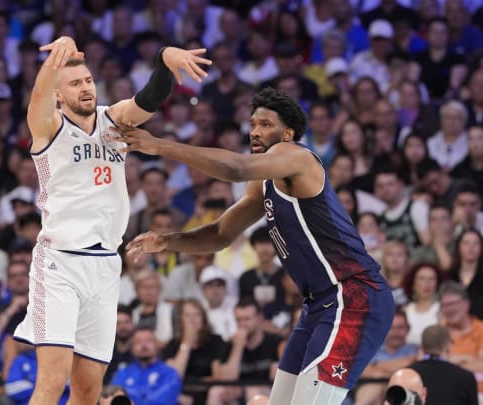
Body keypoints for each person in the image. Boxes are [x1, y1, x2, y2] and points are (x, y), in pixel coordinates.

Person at [121, 87, 395, 404]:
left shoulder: (296, 156)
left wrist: (159, 146)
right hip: (318, 304)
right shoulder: (263, 182)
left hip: (354, 295)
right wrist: (167, 241)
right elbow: (221, 234)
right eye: (252, 124)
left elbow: (235, 168)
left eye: (265, 124)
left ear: (288, 133)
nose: (255, 132)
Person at [11, 35, 211, 405]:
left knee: (88, 390)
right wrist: (57, 58)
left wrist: (165, 58)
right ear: (58, 94)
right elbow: (38, 97)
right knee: (53, 381)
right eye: (75, 83)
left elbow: (149, 99)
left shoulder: (113, 118)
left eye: (88, 80)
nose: (86, 87)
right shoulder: (48, 126)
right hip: (60, 264)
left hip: (105, 265)